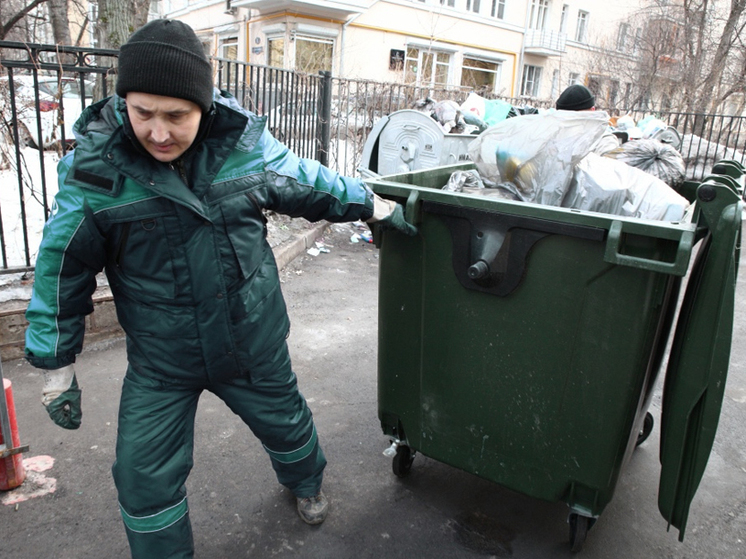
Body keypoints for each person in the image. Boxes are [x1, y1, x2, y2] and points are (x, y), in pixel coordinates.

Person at [24, 18, 416, 559]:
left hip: (252, 344)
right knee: (142, 478)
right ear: (124, 104)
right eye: (143, 113)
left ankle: (306, 483)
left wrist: (375, 205)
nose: (159, 132)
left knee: (288, 428)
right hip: (162, 363)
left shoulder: (242, 147)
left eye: (176, 115)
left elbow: (308, 182)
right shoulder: (95, 173)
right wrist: (56, 363)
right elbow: (60, 266)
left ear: (203, 107)